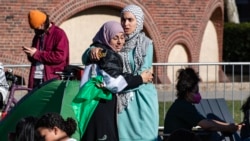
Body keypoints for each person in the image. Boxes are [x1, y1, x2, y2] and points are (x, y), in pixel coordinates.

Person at [89, 4, 159, 141]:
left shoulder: (146, 43)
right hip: (119, 97)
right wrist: (92, 50)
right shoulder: (116, 39)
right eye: (123, 20)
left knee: (146, 137)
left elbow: (144, 74)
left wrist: (123, 82)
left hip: (141, 98)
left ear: (138, 21)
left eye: (130, 20)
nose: (126, 24)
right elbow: (98, 48)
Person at [75, 20, 153, 141]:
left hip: (91, 104)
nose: (119, 42)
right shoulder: (106, 55)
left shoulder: (98, 51)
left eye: (122, 38)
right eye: (115, 38)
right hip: (100, 105)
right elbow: (115, 83)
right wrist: (140, 79)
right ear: (107, 37)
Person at [164, 67, 241, 140]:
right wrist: (228, 128)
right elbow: (208, 125)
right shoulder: (183, 107)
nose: (198, 94)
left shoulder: (183, 104)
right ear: (187, 93)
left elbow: (208, 121)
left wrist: (229, 125)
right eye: (196, 92)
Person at [23, 9, 69, 88]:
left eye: (37, 28)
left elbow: (60, 56)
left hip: (51, 79)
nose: (36, 31)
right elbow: (36, 57)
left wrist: (36, 54)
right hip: (35, 78)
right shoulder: (37, 36)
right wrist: (30, 54)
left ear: (43, 24)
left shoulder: (59, 34)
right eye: (35, 29)